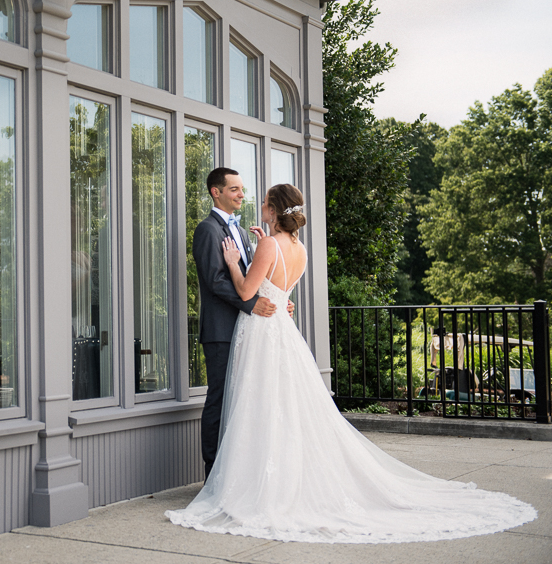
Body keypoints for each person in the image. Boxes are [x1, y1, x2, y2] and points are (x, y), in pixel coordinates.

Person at [168, 184, 536, 543]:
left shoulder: (266, 244)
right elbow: (280, 290)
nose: (258, 203)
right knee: (285, 408)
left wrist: (234, 263)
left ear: (274, 211)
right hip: (283, 330)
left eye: (265, 202)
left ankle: (258, 486)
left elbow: (248, 291)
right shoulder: (300, 248)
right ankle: (276, 481)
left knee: (260, 406)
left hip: (262, 333)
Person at [193, 168, 284, 480]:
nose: (242, 195)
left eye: (242, 189)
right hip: (220, 332)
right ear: (216, 192)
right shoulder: (207, 230)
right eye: (234, 189)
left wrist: (275, 298)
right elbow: (216, 280)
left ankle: (236, 475)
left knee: (243, 401)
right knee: (218, 401)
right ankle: (212, 477)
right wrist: (252, 303)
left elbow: (249, 279)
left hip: (248, 330)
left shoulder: (244, 232)